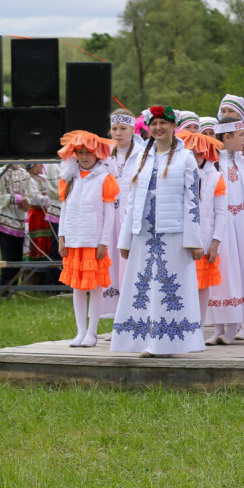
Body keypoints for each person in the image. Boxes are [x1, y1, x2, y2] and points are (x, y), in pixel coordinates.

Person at [111, 105, 205, 357]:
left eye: (163, 123)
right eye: (154, 123)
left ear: (174, 126)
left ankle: (167, 342)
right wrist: (126, 238)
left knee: (168, 286)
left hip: (172, 233)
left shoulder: (186, 158)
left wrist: (194, 240)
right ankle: (147, 340)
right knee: (144, 286)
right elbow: (132, 199)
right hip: (144, 233)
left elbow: (192, 201)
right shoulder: (142, 156)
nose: (158, 127)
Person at [55, 132, 118, 347]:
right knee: (77, 287)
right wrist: (62, 237)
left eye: (88, 152)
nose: (84, 156)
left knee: (95, 287)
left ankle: (92, 332)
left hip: (93, 242)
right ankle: (80, 331)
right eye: (80, 152)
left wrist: (103, 242)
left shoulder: (104, 178)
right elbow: (64, 210)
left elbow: (109, 214)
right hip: (73, 242)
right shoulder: (70, 179)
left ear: (97, 154)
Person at [206, 121, 244, 345]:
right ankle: (218, 328)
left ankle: (235, 328)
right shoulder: (212, 162)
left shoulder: (243, 161)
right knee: (223, 275)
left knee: (242, 273)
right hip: (222, 225)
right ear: (227, 137)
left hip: (242, 225)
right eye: (240, 135)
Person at [180, 130, 228, 344]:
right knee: (183, 285)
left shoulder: (216, 178)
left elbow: (221, 213)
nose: (195, 157)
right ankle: (183, 325)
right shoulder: (179, 176)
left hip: (205, 241)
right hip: (182, 242)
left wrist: (215, 242)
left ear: (207, 154)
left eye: (199, 153)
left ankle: (198, 327)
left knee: (202, 287)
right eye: (191, 152)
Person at [103, 110, 142, 331]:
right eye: (115, 129)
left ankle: (134, 318)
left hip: (131, 219)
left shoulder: (142, 154)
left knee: (129, 268)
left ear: (132, 129)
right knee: (112, 269)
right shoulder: (104, 154)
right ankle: (117, 322)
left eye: (123, 129)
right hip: (110, 220)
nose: (118, 133)